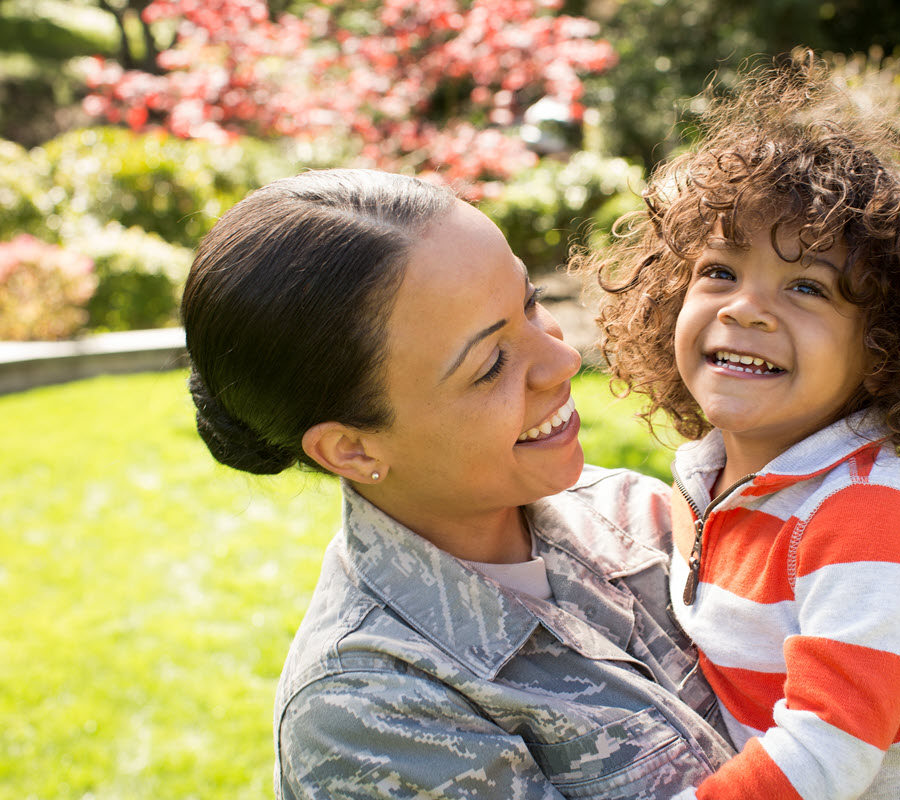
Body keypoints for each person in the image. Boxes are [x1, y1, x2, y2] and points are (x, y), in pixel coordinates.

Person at [579, 56, 900, 800]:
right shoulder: (715, 479)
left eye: (807, 287)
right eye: (720, 273)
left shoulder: (869, 516)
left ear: (888, 347)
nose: (747, 308)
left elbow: (825, 756)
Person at [180, 168, 734, 799]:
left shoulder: (635, 513)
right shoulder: (371, 717)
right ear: (351, 447)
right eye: (491, 364)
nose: (562, 359)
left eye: (529, 301)